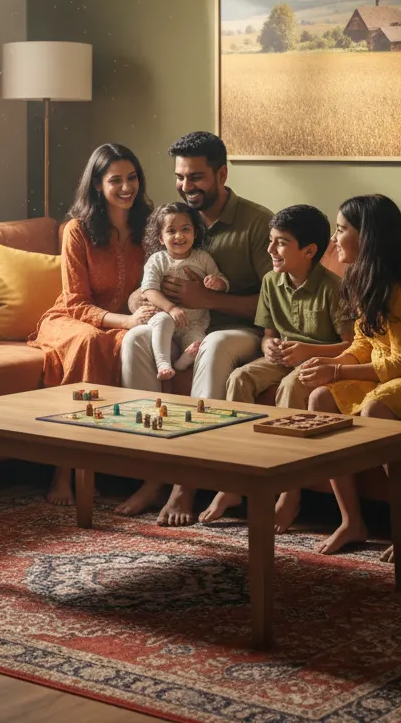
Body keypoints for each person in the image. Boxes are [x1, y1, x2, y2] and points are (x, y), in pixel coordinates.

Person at [293, 194, 401, 561]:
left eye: (341, 230)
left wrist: (337, 370)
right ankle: (351, 521)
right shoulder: (360, 276)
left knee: (377, 409)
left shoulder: (399, 289)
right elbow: (363, 343)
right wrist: (325, 367)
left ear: (367, 237)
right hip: (393, 366)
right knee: (320, 398)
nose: (333, 240)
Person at [117, 131, 272, 525]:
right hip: (178, 324)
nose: (187, 187)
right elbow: (145, 287)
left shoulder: (257, 222)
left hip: (238, 330)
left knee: (214, 345)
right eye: (180, 177)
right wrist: (140, 304)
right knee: (134, 338)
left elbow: (277, 300)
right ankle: (152, 474)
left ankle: (185, 485)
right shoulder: (174, 219)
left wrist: (209, 300)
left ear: (221, 173)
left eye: (196, 177)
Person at [197, 204, 353, 530]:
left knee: (292, 387)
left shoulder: (333, 288)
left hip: (318, 361)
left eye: (280, 242)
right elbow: (268, 336)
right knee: (239, 378)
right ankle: (234, 483)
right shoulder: (271, 282)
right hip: (280, 359)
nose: (270, 249)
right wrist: (268, 345)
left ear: (309, 251)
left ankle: (289, 491)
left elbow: (352, 345)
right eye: (271, 240)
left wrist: (308, 350)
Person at [29, 143, 155, 505]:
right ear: (98, 185)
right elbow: (75, 302)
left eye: (132, 178)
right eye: (116, 180)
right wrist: (127, 321)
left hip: (122, 323)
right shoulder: (76, 231)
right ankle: (64, 471)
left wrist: (134, 318)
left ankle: (104, 464)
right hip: (71, 319)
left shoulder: (148, 227)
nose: (127, 187)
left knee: (121, 344)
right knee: (89, 342)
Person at [140, 202, 229, 381]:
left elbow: (223, 280)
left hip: (194, 322)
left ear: (195, 233)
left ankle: (182, 363)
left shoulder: (202, 258)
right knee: (161, 322)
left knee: (198, 343)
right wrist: (171, 308)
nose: (179, 236)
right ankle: (163, 363)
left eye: (185, 229)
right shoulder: (157, 260)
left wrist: (217, 283)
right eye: (171, 231)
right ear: (160, 238)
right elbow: (149, 289)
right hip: (166, 316)